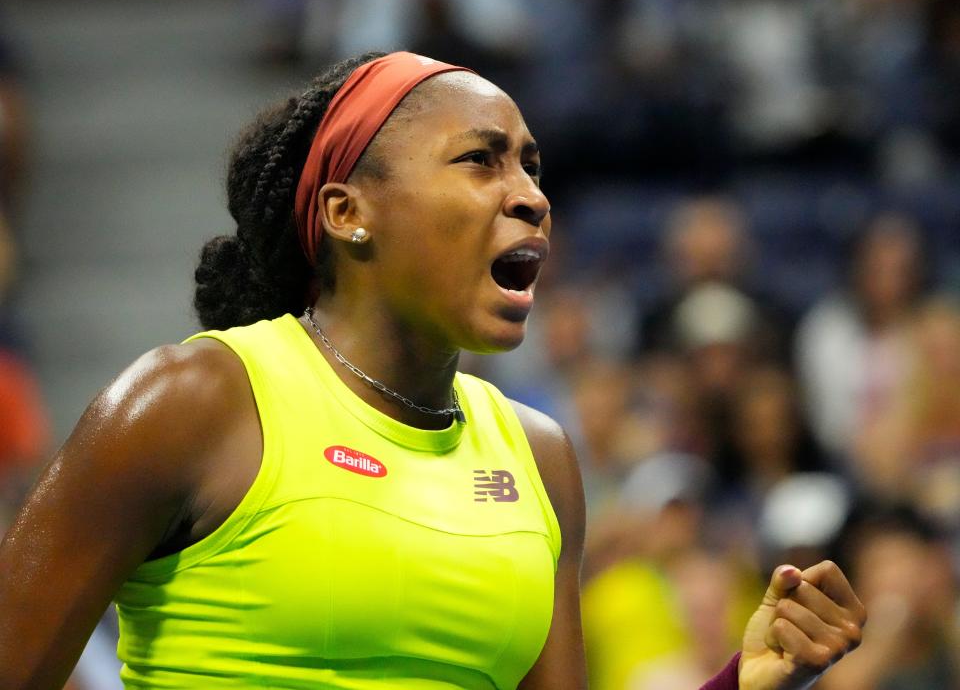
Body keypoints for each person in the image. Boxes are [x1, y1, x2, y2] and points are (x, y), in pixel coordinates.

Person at [0, 51, 864, 689]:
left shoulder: (541, 455)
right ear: (349, 212)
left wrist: (743, 680)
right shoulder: (194, 402)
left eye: (530, 163)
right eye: (480, 159)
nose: (529, 193)